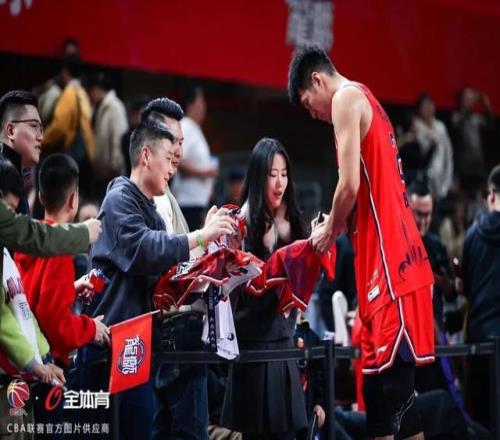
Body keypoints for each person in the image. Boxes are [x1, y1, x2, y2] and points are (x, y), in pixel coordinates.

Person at [288, 46, 435, 440]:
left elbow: (349, 184)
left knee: (399, 395)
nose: (313, 114)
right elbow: (360, 191)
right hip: (376, 266)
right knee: (376, 401)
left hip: (391, 266)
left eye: (308, 103)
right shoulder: (364, 99)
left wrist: (328, 230)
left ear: (317, 80)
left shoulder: (345, 98)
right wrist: (335, 222)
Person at [77, 119, 234, 440]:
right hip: (107, 344)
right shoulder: (118, 199)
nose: (173, 168)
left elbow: (168, 270)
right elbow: (146, 248)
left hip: (137, 344)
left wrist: (210, 256)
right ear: (146, 156)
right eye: (168, 158)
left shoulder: (152, 215)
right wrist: (200, 236)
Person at [221, 138, 309, 439]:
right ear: (260, 176)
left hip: (284, 341)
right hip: (254, 344)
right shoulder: (241, 222)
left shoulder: (294, 223)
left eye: (284, 174)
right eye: (273, 174)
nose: (280, 182)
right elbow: (232, 289)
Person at [463, 164, 500, 430]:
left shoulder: (472, 234)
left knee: (480, 425)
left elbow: (466, 287)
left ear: (491, 194)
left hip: (478, 341)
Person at [42, 53, 95, 197]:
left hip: (72, 154)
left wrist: (41, 140)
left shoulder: (69, 94)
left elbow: (59, 127)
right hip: (85, 156)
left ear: (65, 71)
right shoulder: (82, 93)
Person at [171, 83, 218, 230]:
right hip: (188, 201)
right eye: (201, 102)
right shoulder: (185, 126)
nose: (204, 107)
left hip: (197, 201)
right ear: (191, 104)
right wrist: (205, 172)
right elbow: (178, 159)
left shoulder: (194, 128)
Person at [0, 90, 43, 214]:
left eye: (41, 129)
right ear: (11, 131)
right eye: (33, 126)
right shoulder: (3, 173)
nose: (40, 137)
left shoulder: (17, 172)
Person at [88, 71, 128, 197]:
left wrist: (115, 166)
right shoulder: (99, 106)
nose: (90, 95)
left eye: (91, 90)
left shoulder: (114, 106)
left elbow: (118, 138)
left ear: (97, 89)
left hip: (111, 174)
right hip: (100, 174)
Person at [414, 93, 454, 200]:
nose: (428, 108)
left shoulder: (441, 127)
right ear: (419, 109)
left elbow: (448, 154)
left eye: (430, 105)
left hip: (441, 178)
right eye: (424, 106)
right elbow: (420, 154)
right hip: (424, 179)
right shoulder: (416, 127)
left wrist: (448, 180)